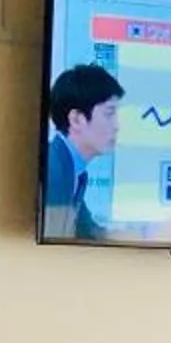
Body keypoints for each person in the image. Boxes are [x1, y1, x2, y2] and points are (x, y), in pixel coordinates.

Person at [43, 63, 123, 241]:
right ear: (77, 119)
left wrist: (145, 233)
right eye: (109, 114)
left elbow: (89, 232)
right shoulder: (52, 170)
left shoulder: (75, 171)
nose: (117, 126)